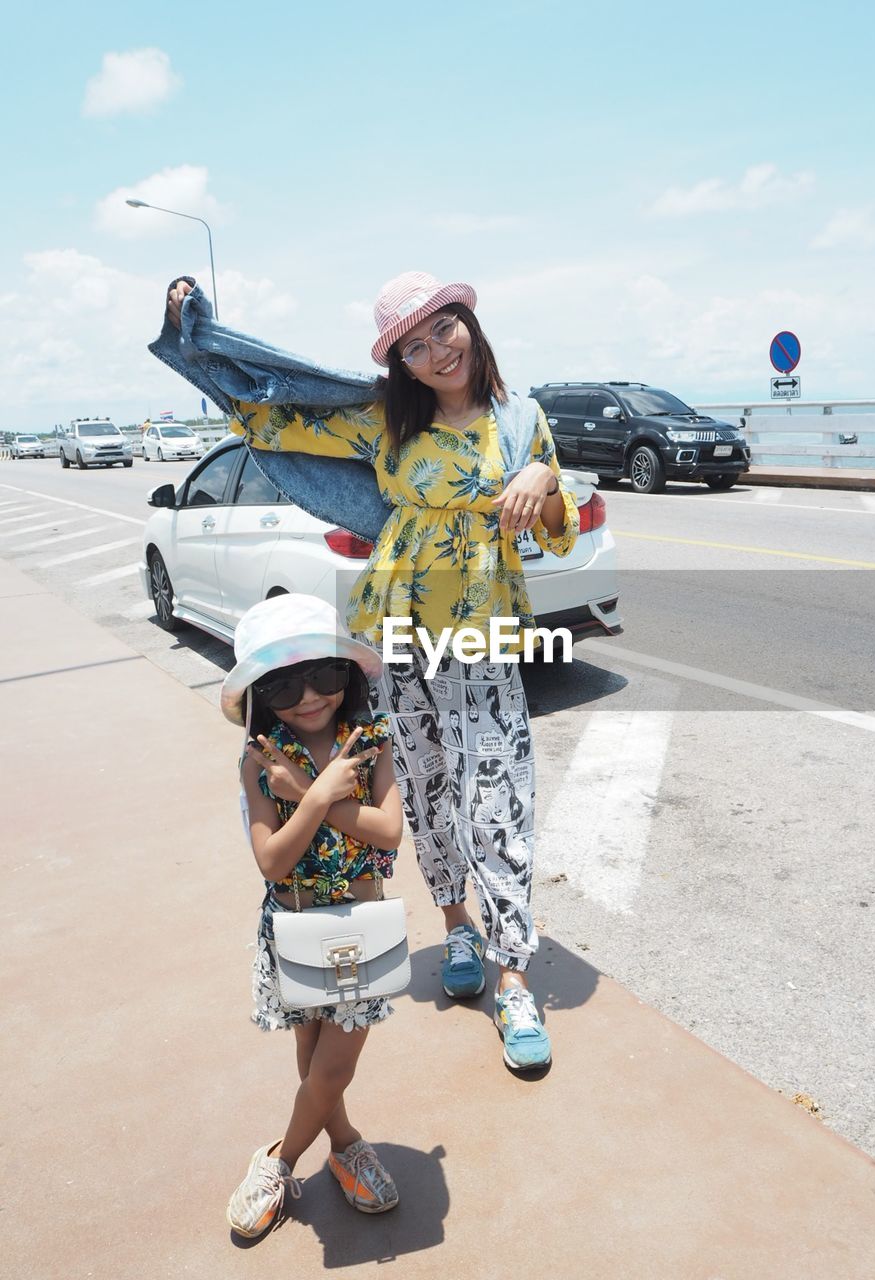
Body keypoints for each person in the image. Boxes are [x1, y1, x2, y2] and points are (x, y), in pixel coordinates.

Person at [162, 270, 580, 1072]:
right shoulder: (386, 422)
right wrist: (199, 338)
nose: (435, 353)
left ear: (468, 322)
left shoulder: (522, 421)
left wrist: (545, 479)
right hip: (393, 628)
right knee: (420, 787)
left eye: (442, 330)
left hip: (480, 633)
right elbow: (274, 417)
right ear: (402, 365)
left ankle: (515, 979)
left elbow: (556, 533)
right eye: (413, 347)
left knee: (497, 798)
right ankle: (457, 930)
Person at [220, 593, 404, 1238]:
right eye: (281, 686)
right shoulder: (260, 759)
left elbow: (388, 833)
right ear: (257, 698)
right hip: (293, 926)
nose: (307, 697)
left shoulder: (371, 740)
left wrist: (312, 795)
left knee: (334, 1064)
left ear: (345, 675)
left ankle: (280, 1160)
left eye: (322, 676)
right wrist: (317, 795)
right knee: (310, 1048)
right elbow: (271, 861)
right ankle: (346, 1143)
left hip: (360, 929)